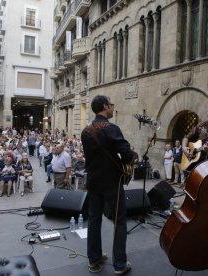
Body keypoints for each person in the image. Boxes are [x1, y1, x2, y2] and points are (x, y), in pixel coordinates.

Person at [81, 95, 133, 274]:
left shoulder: (86, 131)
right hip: (112, 181)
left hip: (93, 181)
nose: (112, 107)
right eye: (111, 105)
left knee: (94, 219)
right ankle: (119, 264)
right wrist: (130, 154)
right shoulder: (111, 128)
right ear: (105, 106)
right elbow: (126, 154)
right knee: (120, 221)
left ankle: (94, 259)